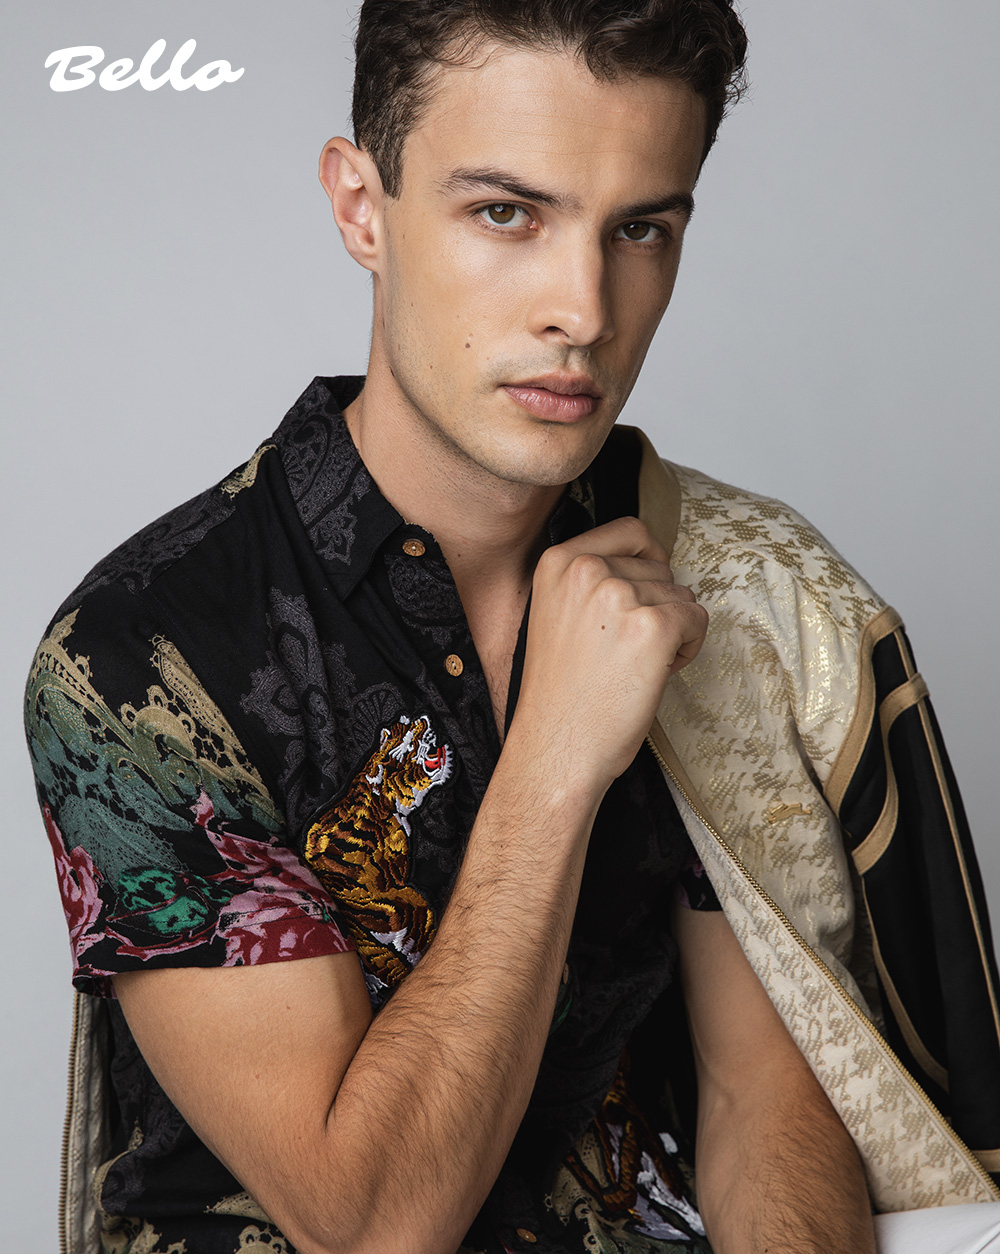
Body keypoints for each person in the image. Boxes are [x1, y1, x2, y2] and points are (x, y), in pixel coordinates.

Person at [23, 2, 1000, 1252]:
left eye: (638, 229)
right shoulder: (141, 661)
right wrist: (553, 760)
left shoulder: (726, 591)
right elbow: (369, 1224)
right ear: (360, 207)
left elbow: (761, 1094)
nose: (583, 311)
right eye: (505, 214)